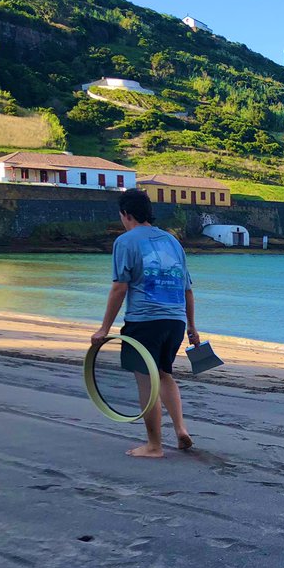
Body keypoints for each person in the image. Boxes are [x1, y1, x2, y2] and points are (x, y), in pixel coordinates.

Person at [92, 188, 200, 458]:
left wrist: (104, 328)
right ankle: (180, 430)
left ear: (125, 214)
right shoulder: (173, 242)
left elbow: (120, 288)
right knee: (164, 374)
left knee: (145, 380)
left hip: (145, 320)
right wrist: (191, 326)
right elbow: (187, 288)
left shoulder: (126, 241)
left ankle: (154, 445)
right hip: (174, 320)